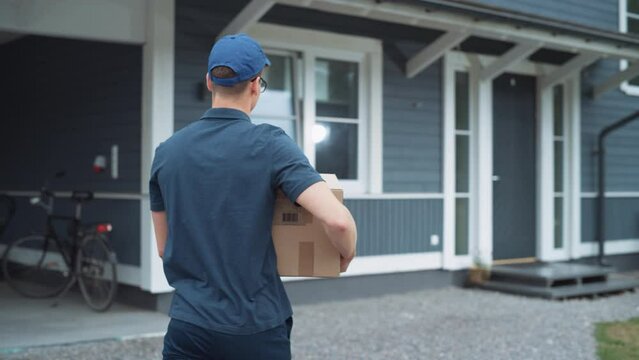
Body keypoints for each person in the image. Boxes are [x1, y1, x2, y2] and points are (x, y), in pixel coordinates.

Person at [149, 33, 357, 360]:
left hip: (188, 326)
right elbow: (337, 221)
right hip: (255, 327)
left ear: (209, 82)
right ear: (255, 85)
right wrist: (344, 254)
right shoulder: (270, 144)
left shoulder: (167, 152)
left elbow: (164, 247)